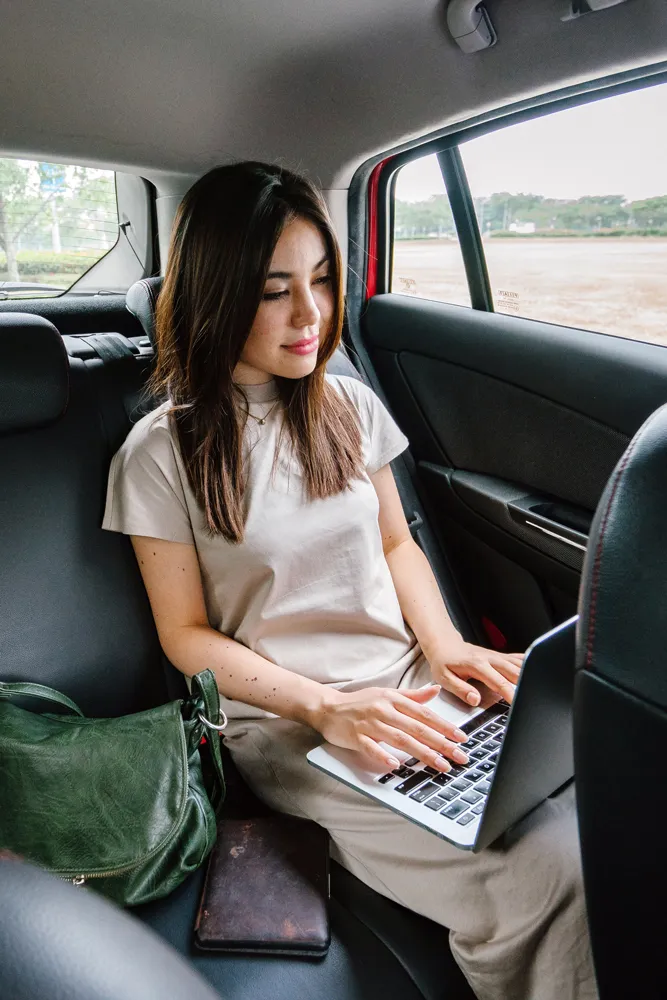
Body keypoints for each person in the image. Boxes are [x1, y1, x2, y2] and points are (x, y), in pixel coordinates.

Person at [103, 161, 597, 1000]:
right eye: (273, 291)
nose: (312, 315)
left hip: (409, 685)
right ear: (218, 296)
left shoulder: (348, 404)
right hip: (291, 726)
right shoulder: (160, 452)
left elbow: (398, 545)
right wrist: (325, 707)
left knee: (609, 792)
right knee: (542, 882)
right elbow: (184, 635)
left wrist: (447, 649)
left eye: (323, 281)